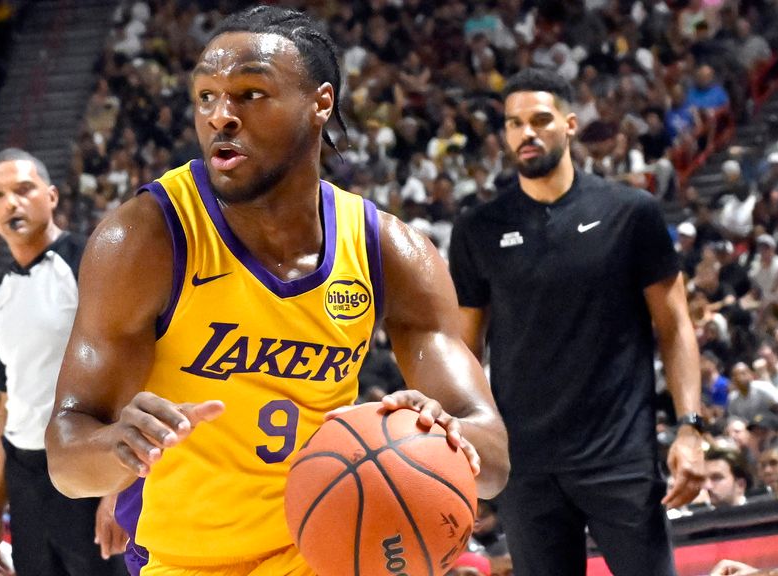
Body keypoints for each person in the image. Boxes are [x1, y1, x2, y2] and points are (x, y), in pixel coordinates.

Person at [45, 7, 509, 576]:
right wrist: (119, 445)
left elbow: (492, 459)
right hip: (185, 558)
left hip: (325, 550)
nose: (222, 117)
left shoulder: (389, 250)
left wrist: (442, 434)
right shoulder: (145, 238)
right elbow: (67, 457)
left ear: (321, 103)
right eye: (206, 97)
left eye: (251, 94)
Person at [448, 68, 704, 576]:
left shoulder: (631, 212)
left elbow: (675, 326)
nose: (527, 133)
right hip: (525, 465)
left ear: (568, 124)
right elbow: (462, 350)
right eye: (514, 123)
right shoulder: (478, 229)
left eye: (540, 119)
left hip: (620, 455)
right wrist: (462, 443)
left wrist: (689, 429)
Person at [0, 149, 124, 576]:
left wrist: (119, 488)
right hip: (25, 479)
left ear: (52, 195)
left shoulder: (89, 262)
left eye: (24, 190)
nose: (12, 204)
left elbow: (130, 372)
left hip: (86, 464)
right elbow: (9, 403)